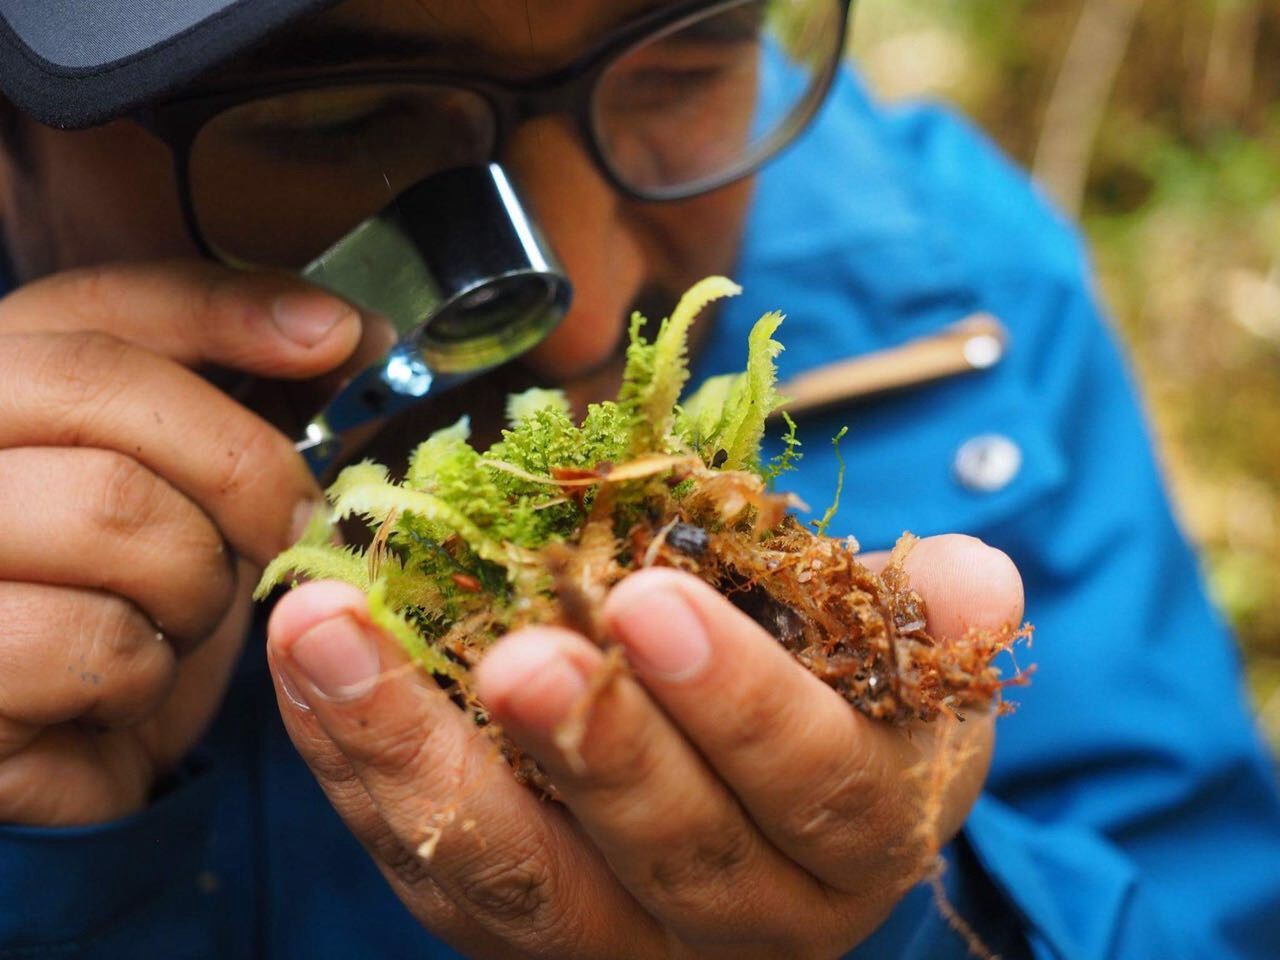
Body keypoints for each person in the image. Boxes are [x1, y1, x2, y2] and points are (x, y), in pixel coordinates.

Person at [0, 1, 1277, 958]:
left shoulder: (963, 303)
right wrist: (41, 878)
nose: (583, 322)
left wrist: (907, 918)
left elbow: (1201, 899)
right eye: (343, 123)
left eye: (682, 60)